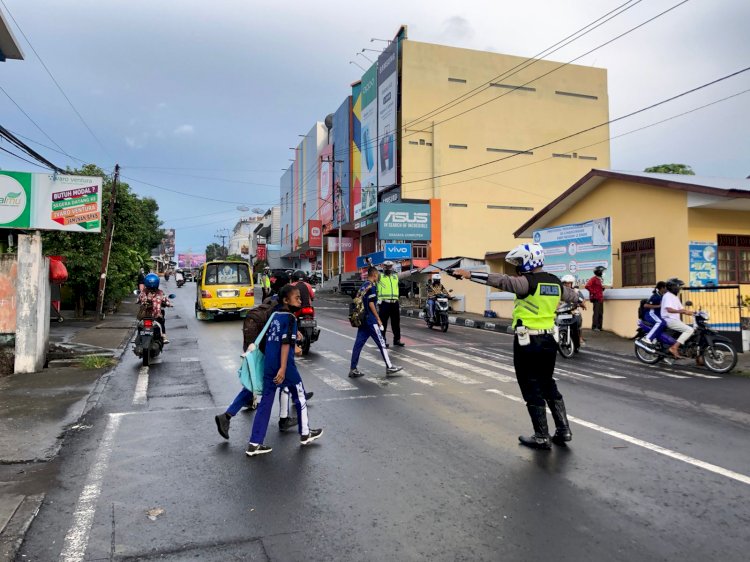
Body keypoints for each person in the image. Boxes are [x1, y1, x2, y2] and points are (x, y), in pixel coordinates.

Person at [452, 243, 579, 450]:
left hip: (528, 341)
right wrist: (580, 300)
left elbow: (502, 281)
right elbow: (572, 296)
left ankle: (541, 436)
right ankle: (564, 430)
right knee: (548, 383)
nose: (518, 266)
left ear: (530, 261)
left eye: (520, 262)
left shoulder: (526, 283)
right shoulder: (555, 282)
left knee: (530, 386)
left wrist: (468, 274)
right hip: (549, 341)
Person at [214, 296, 313, 440]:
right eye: (297, 297)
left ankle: (229, 415)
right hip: (267, 350)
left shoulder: (273, 302)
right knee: (280, 382)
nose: (299, 300)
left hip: (255, 343)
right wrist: (292, 348)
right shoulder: (283, 311)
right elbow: (282, 338)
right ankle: (283, 421)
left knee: (259, 384)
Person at [246, 284, 323, 456]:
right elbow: (286, 344)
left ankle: (254, 443)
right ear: (285, 300)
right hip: (285, 367)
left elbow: (273, 340)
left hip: (269, 365)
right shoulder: (290, 318)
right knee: (300, 396)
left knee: (265, 403)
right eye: (297, 298)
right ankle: (305, 433)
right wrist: (282, 368)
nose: (300, 300)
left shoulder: (274, 316)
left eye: (300, 297)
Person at [349, 267, 403, 378]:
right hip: (370, 320)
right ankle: (389, 366)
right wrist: (378, 318)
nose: (378, 277)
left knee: (358, 344)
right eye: (377, 275)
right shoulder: (372, 287)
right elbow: (371, 304)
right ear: (374, 275)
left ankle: (353, 369)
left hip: (362, 319)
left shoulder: (364, 285)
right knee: (382, 343)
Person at [661, 278, 695, 359]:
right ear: (673, 287)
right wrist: (682, 312)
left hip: (675, 320)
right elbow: (669, 309)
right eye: (678, 286)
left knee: (693, 331)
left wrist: (694, 313)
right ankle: (674, 347)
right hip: (669, 319)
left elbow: (682, 309)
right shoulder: (668, 296)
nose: (679, 288)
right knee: (689, 330)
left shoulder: (675, 297)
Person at [377, 261, 405, 347]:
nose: (388, 268)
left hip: (394, 303)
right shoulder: (380, 276)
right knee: (383, 323)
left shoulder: (395, 276)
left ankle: (397, 340)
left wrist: (416, 270)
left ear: (392, 267)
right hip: (384, 303)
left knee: (396, 323)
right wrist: (369, 264)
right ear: (383, 267)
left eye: (390, 266)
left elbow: (405, 274)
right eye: (386, 266)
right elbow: (373, 270)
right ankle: (382, 341)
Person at [138, 273, 171, 344]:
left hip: (145, 315)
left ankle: (138, 337)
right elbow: (166, 301)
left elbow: (138, 300)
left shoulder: (143, 293)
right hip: (156, 315)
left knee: (140, 324)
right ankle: (164, 337)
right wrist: (169, 304)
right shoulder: (160, 293)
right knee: (162, 321)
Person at [637, 281, 668, 349]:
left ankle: (657, 341)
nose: (667, 289)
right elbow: (646, 305)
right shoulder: (655, 296)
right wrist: (659, 306)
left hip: (657, 315)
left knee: (666, 324)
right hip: (651, 314)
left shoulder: (662, 296)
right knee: (660, 322)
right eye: (666, 287)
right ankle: (648, 338)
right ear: (662, 288)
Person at [560, 274, 586, 349]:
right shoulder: (561, 291)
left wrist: (580, 304)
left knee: (578, 318)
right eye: (565, 283)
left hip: (573, 310)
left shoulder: (576, 291)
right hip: (563, 310)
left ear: (572, 283)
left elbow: (583, 300)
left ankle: (580, 337)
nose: (567, 285)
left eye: (569, 283)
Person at [585, 266, 606, 331]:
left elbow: (598, 287)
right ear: (599, 272)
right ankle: (594, 327)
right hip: (596, 298)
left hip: (600, 298)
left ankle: (599, 326)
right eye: (602, 271)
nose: (603, 272)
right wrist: (594, 292)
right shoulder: (593, 279)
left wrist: (602, 288)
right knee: (596, 313)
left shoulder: (600, 279)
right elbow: (587, 286)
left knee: (600, 313)